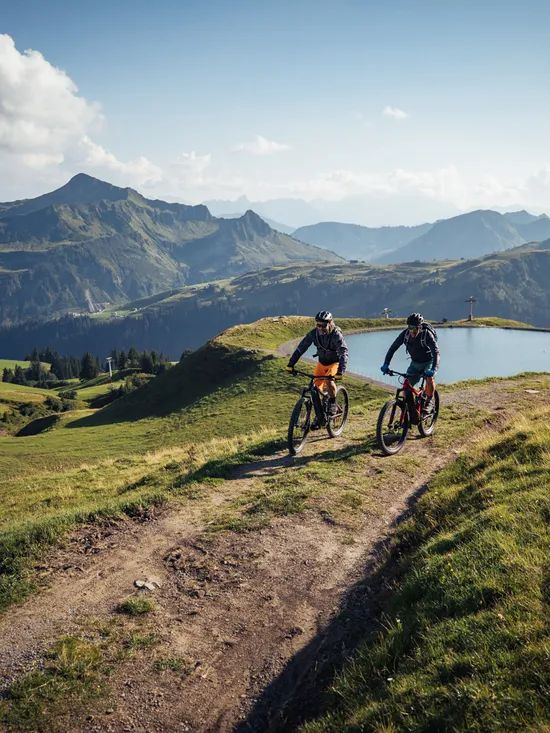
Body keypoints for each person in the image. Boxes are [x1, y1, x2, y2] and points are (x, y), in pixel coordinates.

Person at [285, 311, 348, 418]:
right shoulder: (313, 334)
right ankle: (318, 418)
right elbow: (301, 348)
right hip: (321, 363)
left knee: (329, 380)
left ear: (330, 323)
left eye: (323, 325)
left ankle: (332, 403)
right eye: (318, 325)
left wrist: (340, 371)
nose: (320, 328)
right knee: (315, 389)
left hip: (334, 363)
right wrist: (291, 364)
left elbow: (343, 351)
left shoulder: (336, 335)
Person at [380, 312, 439, 416]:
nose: (412, 330)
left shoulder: (426, 335)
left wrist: (433, 368)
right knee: (406, 388)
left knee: (429, 378)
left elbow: (436, 352)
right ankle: (412, 412)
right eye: (410, 327)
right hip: (415, 364)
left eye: (415, 328)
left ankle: (429, 401)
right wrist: (386, 364)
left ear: (420, 327)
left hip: (428, 362)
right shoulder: (405, 334)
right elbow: (393, 348)